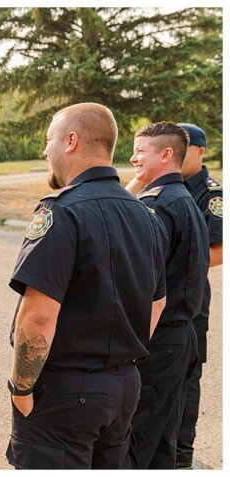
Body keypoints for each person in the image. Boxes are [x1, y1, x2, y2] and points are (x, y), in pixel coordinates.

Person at [4, 103, 167, 469]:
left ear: (71, 141)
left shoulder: (61, 211)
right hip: (123, 387)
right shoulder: (145, 214)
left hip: (64, 392)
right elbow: (157, 303)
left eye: (50, 140)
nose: (46, 150)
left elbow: (39, 316)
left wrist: (22, 387)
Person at [124, 122, 208, 469]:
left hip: (158, 340)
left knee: (136, 441)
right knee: (162, 444)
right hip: (178, 336)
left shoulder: (159, 205)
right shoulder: (182, 198)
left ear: (166, 154)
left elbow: (146, 284)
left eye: (141, 151)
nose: (133, 159)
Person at [173, 123, 222, 469]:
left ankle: (181, 453)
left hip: (190, 298)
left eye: (183, 147)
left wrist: (179, 267)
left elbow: (219, 250)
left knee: (187, 373)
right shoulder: (165, 182)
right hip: (159, 296)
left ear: (200, 151)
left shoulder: (210, 193)